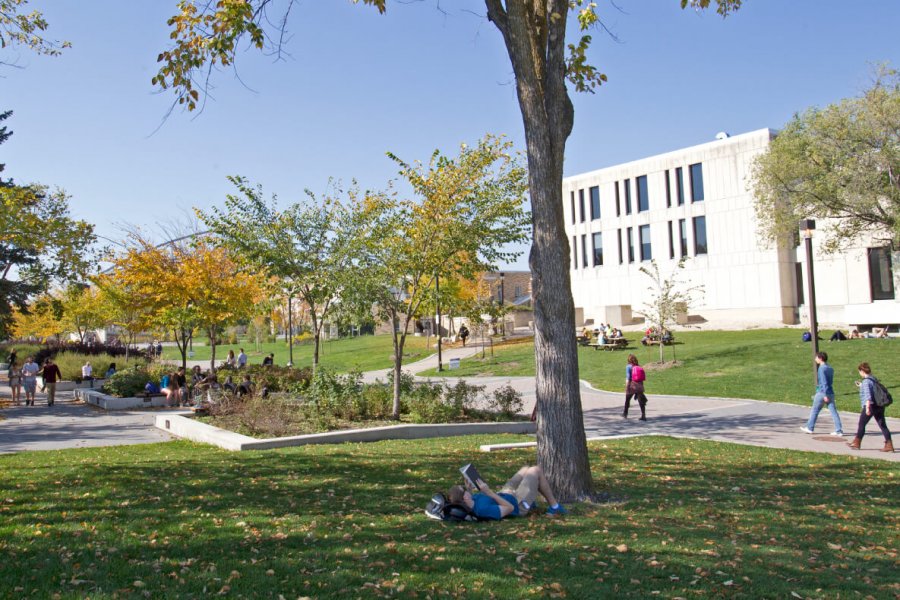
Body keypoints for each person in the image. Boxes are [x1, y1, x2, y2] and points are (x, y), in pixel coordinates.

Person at [446, 465, 567, 520]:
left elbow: (470, 500)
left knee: (525, 469)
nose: (466, 490)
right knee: (535, 470)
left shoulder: (470, 501)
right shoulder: (483, 510)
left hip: (505, 494)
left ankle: (531, 499)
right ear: (465, 499)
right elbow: (509, 508)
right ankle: (554, 507)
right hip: (517, 505)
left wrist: (470, 489)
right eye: (464, 490)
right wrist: (489, 493)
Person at [847, 363, 893, 452]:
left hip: (870, 406)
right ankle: (889, 444)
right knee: (883, 425)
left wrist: (867, 408)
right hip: (879, 406)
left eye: (859, 371)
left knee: (861, 424)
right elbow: (873, 389)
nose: (859, 373)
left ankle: (857, 443)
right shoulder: (873, 379)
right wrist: (861, 385)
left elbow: (868, 396)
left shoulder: (866, 381)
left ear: (862, 371)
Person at [800, 351, 843, 436]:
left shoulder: (821, 368)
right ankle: (839, 430)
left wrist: (825, 394)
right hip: (830, 392)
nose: (815, 359)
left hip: (823, 392)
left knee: (815, 410)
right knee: (834, 412)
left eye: (816, 357)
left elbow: (824, 382)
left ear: (820, 358)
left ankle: (809, 427)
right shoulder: (830, 368)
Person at [623, 354, 648, 421]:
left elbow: (628, 377)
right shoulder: (638, 366)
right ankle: (643, 415)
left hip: (632, 385)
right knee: (641, 401)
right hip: (639, 385)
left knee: (627, 400)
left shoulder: (628, 367)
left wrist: (627, 386)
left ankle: (625, 414)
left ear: (628, 360)